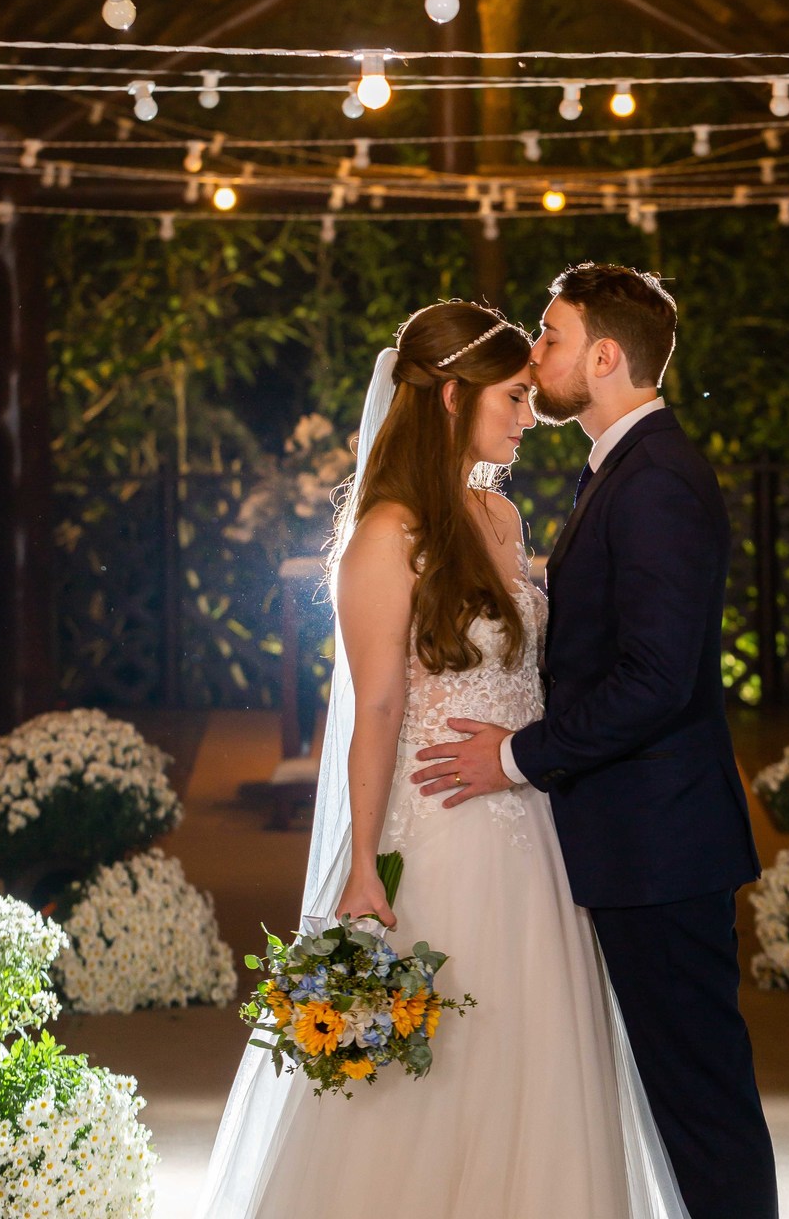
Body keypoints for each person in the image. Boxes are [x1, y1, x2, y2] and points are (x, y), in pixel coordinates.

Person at [198, 299, 688, 1219]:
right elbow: (377, 709)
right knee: (431, 1079)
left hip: (533, 832)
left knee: (539, 1062)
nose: (526, 413)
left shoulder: (501, 518)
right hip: (439, 832)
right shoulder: (387, 535)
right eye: (510, 396)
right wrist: (360, 866)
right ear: (454, 397)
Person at [413, 264, 778, 1219]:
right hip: (637, 838)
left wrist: (512, 755)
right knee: (683, 1093)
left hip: (661, 845)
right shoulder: (627, 467)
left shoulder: (655, 480)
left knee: (701, 1099)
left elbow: (655, 681)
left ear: (605, 356)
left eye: (552, 334)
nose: (537, 355)